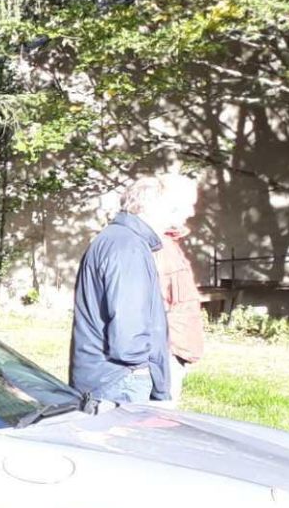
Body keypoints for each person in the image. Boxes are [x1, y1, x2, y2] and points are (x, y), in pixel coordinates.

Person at [69, 172, 195, 404]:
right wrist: (144, 369)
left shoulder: (121, 239)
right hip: (120, 380)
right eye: (171, 210)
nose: (174, 218)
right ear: (151, 208)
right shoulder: (128, 247)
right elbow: (128, 328)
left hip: (109, 377)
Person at [154, 219, 205, 401]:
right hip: (170, 347)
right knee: (161, 416)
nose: (190, 212)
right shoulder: (160, 248)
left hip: (179, 343)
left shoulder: (170, 246)